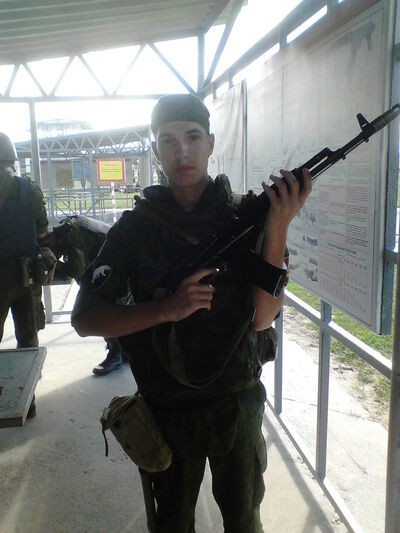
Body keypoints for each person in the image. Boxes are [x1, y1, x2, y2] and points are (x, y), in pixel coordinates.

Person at [71, 94, 312, 532]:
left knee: (243, 520)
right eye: (168, 140)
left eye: (193, 137)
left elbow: (262, 319)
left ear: (211, 143)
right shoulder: (134, 229)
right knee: (173, 524)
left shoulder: (249, 217)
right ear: (155, 149)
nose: (182, 151)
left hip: (236, 403)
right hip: (165, 407)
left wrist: (277, 226)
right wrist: (167, 309)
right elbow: (85, 319)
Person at [39, 215, 126, 376]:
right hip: (115, 264)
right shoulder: (68, 226)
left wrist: (53, 262)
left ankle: (116, 354)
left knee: (100, 310)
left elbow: (76, 270)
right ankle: (122, 350)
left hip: (111, 271)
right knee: (116, 308)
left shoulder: (70, 237)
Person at [0, 132, 49, 418]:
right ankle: (27, 400)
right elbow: (42, 230)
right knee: (28, 339)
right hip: (27, 277)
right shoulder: (28, 189)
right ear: (12, 159)